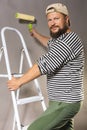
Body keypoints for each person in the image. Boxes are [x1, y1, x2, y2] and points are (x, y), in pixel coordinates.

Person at [7, 3, 84, 130]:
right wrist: (35, 34)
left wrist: (19, 81)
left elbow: (44, 64)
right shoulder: (63, 40)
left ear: (67, 19)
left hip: (64, 102)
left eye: (56, 18)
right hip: (64, 101)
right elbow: (50, 42)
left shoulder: (68, 42)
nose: (53, 23)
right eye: (50, 19)